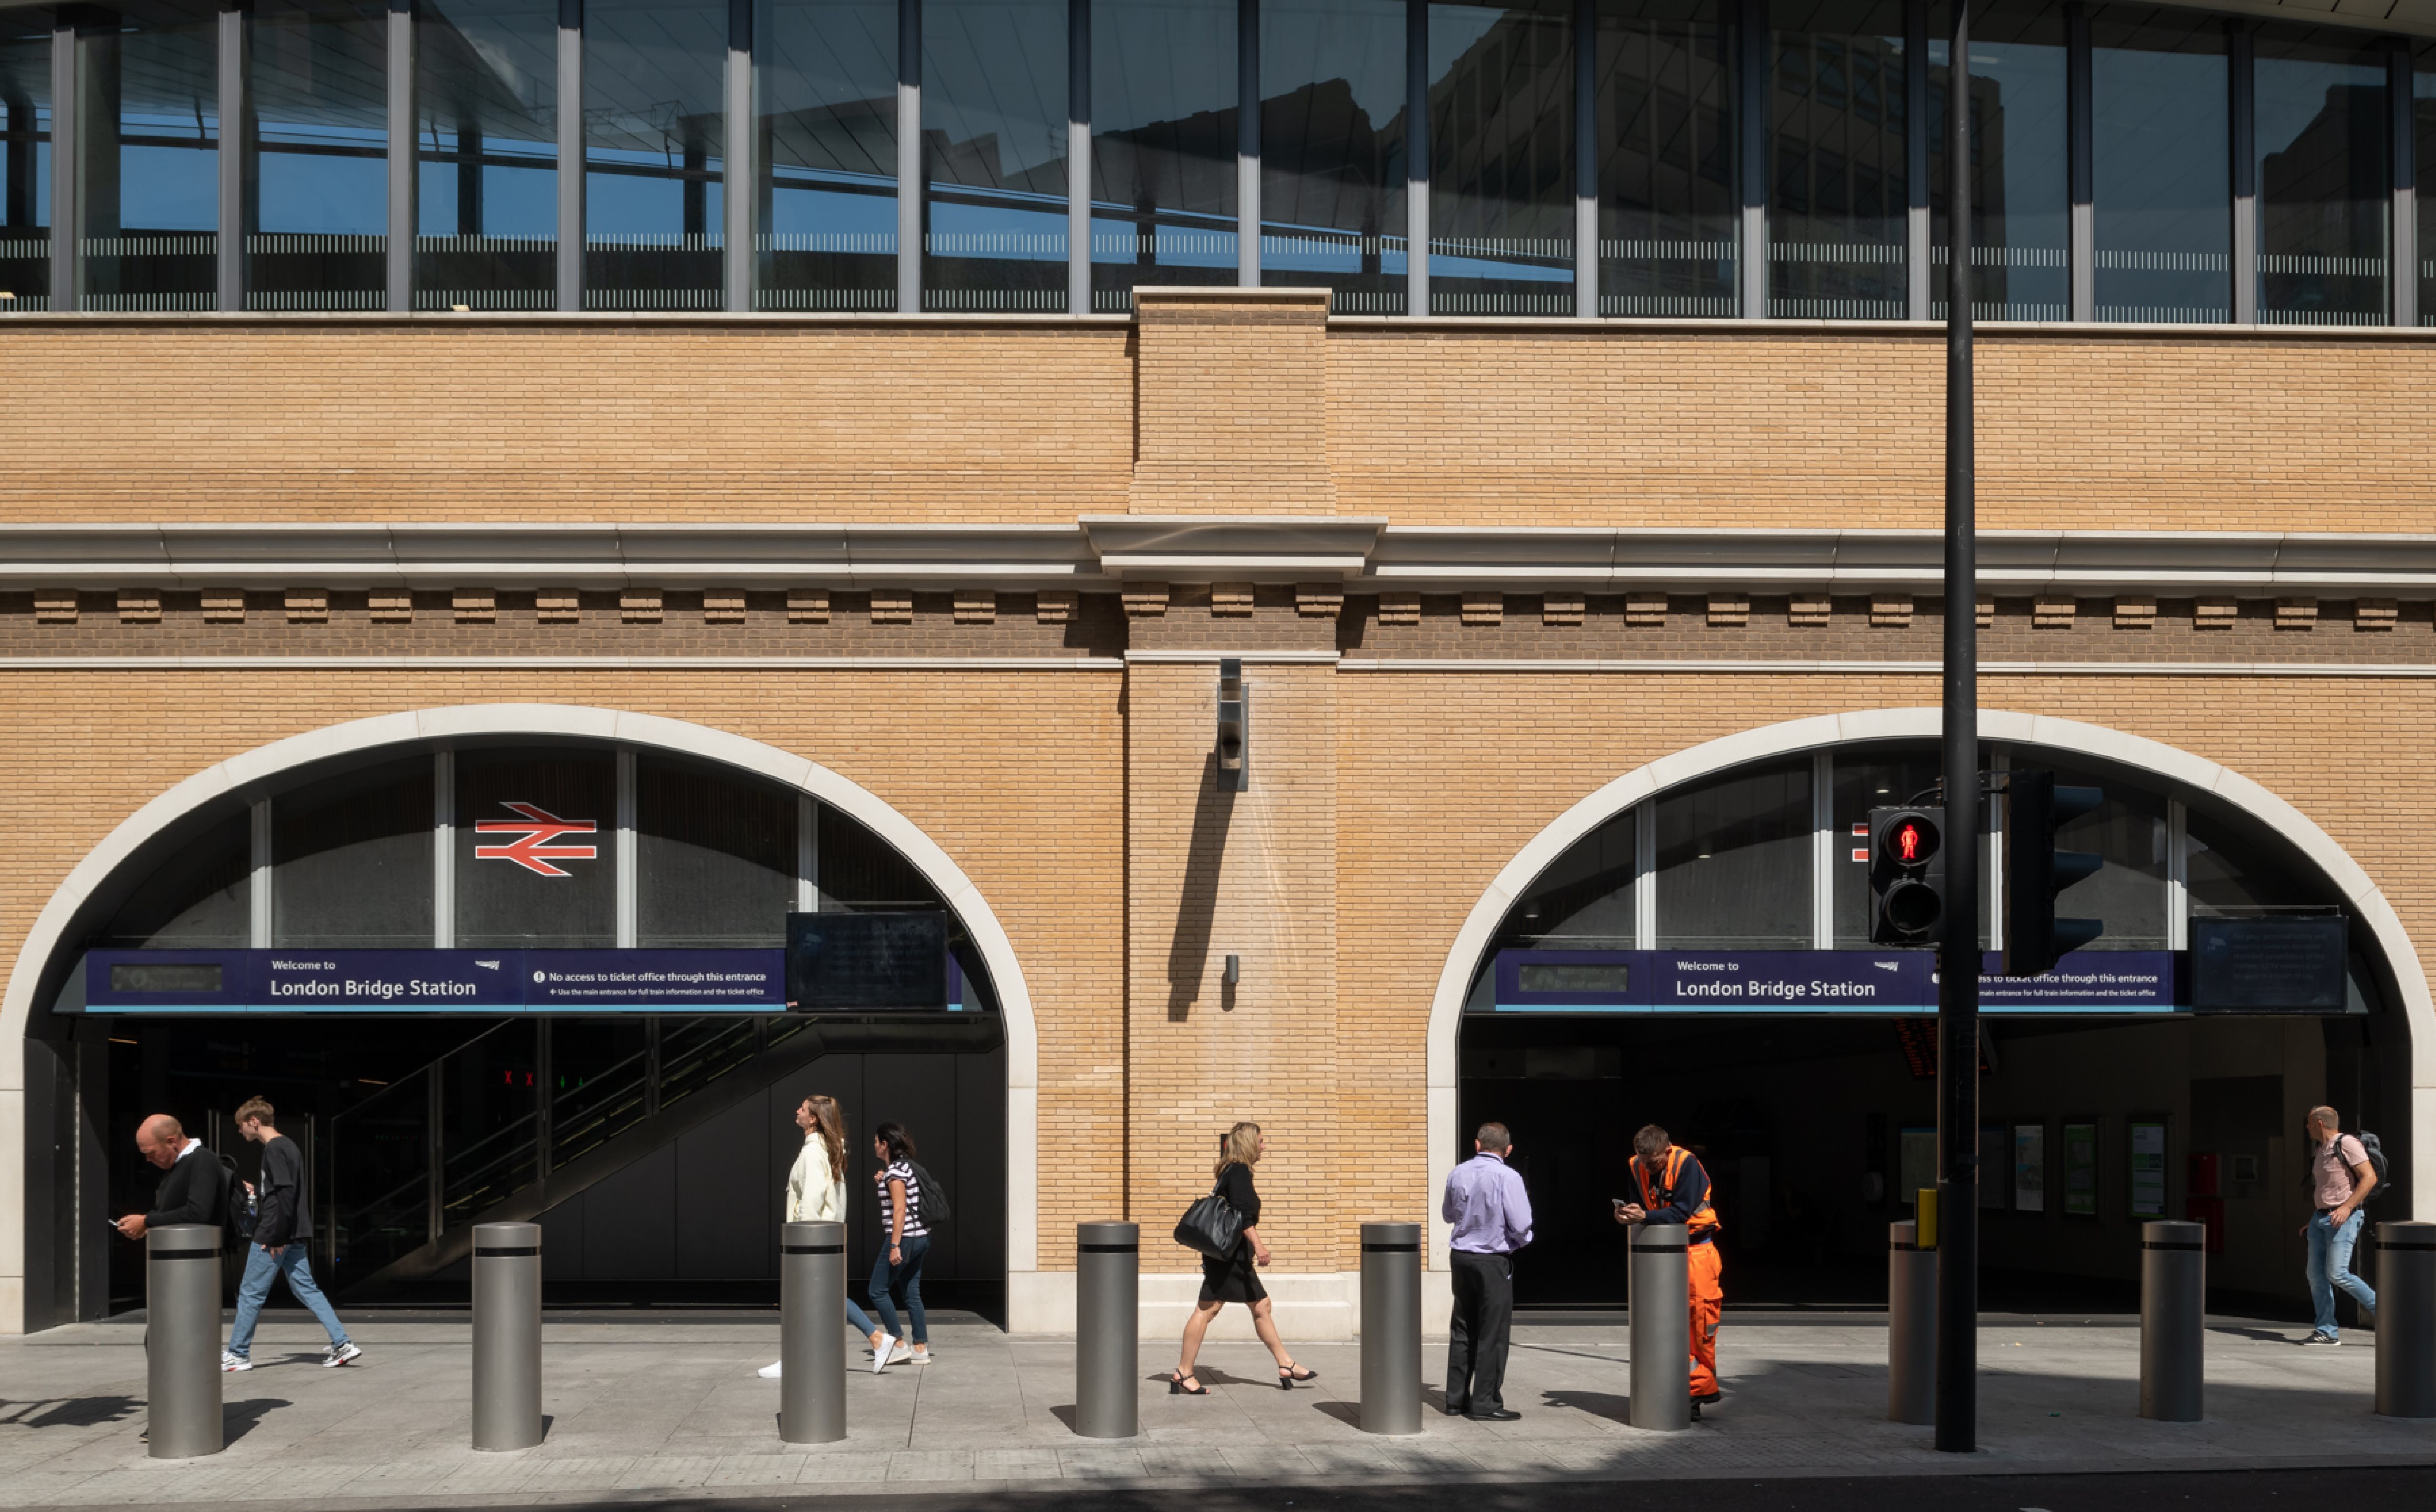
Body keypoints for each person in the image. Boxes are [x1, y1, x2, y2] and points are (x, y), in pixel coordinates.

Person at [760, 1096, 905, 1378]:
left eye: (802, 1109)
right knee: (824, 1297)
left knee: (808, 1297)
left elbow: (813, 1198)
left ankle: (872, 1339)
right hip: (825, 1237)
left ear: (813, 1119)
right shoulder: (829, 1149)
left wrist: (802, 1238)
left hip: (811, 1238)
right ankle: (874, 1340)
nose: (797, 1111)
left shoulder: (814, 1152)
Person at [1170, 1121, 1317, 1395]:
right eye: (1262, 1141)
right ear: (1250, 1144)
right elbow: (1242, 1216)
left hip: (1231, 1256)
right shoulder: (1238, 1172)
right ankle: (1184, 1371)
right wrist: (1260, 1246)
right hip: (1230, 1258)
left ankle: (1286, 1364)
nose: (1265, 1146)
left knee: (1261, 1306)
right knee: (1208, 1309)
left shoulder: (1232, 1171)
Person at [225, 1096, 359, 1371]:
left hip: (275, 1234)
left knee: (251, 1293)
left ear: (254, 1121)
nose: (241, 1131)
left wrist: (275, 1237)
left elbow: (283, 1196)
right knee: (307, 1289)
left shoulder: (273, 1149)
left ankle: (238, 1354)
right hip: (294, 1231)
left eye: (242, 1126)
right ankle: (342, 1343)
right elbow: (286, 1193)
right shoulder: (290, 1146)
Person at [1615, 1122, 1722, 1418]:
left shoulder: (1687, 1164)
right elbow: (1637, 1204)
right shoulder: (1637, 1166)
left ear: (1667, 1149)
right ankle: (1689, 1389)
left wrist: (1646, 1215)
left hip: (1697, 1252)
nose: (1649, 1168)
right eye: (1644, 1161)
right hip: (1661, 1251)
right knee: (1662, 1323)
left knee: (1699, 1325)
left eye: (1654, 1163)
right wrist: (1627, 1213)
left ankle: (1698, 1391)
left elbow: (1682, 1211)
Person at [1440, 1121, 1532, 1420]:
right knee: (1493, 1332)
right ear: (1508, 1150)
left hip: (1461, 1257)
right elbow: (1522, 1224)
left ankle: (1455, 1399)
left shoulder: (1458, 1172)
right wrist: (1519, 1244)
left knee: (1463, 1327)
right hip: (1493, 1259)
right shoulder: (1509, 1176)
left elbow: (1447, 1214)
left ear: (1477, 1144)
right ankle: (1486, 1403)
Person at [2300, 1104, 2378, 1345]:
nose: (2307, 1127)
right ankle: (2326, 1331)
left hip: (2344, 1217)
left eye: (2310, 1123)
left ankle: (2391, 1317)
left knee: (2337, 1273)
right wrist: (2313, 1219)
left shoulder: (2347, 1144)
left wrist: (2346, 1208)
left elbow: (2370, 1178)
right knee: (2316, 1276)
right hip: (2321, 1219)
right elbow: (2328, 1187)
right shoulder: (2322, 1149)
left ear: (2320, 1123)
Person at [868, 1121, 933, 1368]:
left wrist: (894, 1245)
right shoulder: (907, 1168)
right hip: (921, 1238)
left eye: (876, 1142)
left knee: (877, 1290)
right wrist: (883, 1181)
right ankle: (920, 1348)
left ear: (885, 1145)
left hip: (903, 1239)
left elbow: (900, 1209)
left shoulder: (896, 1172)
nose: (874, 1146)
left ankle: (897, 1344)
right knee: (911, 1292)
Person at [115, 1114, 227, 1242]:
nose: (148, 1159)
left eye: (152, 1153)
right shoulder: (176, 1166)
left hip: (197, 1255)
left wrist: (146, 1221)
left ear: (172, 1141)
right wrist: (142, 1224)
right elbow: (167, 1210)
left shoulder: (202, 1159)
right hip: (174, 1253)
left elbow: (197, 1213)